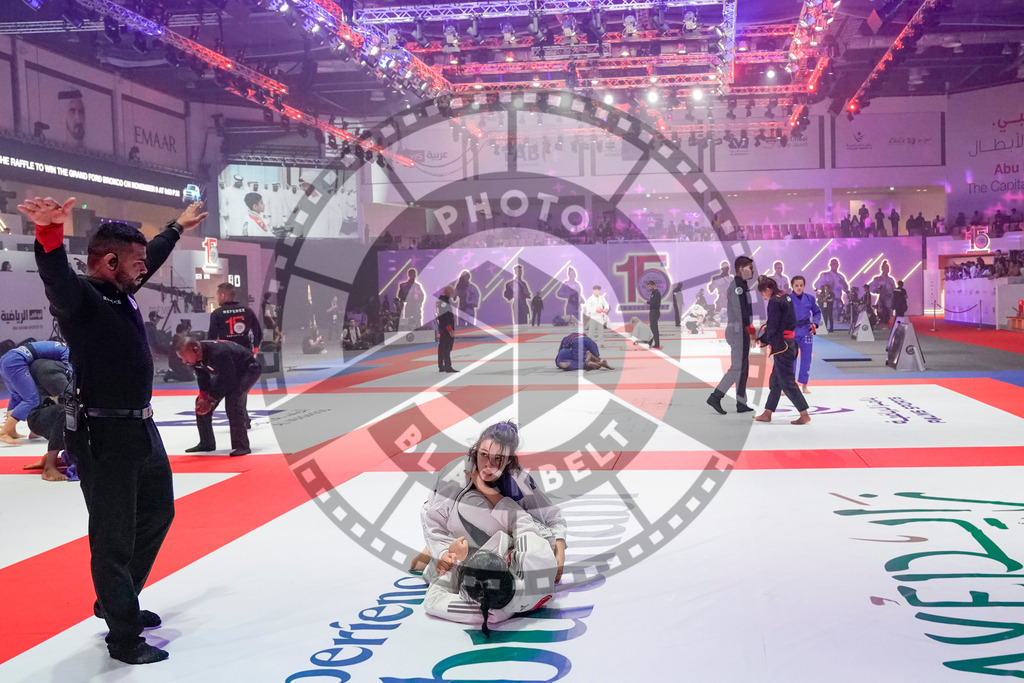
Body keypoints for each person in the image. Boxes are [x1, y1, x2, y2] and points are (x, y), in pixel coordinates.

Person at [20, 194, 208, 664]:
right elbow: (55, 277)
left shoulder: (120, 291)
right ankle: (123, 637)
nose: (146, 269)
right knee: (113, 536)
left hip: (141, 429)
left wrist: (177, 227)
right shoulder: (80, 300)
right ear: (108, 262)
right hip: (102, 436)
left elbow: (151, 255)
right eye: (137, 263)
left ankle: (116, 600)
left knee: (158, 514)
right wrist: (48, 233)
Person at [414, 421, 567, 583]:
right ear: (476, 450)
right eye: (484, 454)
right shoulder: (456, 475)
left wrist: (559, 550)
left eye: (499, 458)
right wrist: (443, 552)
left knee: (532, 557)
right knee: (469, 503)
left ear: (509, 460)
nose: (489, 464)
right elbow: (431, 518)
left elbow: (550, 515)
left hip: (499, 533)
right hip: (454, 525)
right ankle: (442, 547)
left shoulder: (517, 478)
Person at [423, 493, 558, 636]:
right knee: (467, 503)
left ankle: (443, 551)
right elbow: (521, 519)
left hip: (480, 554)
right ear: (505, 563)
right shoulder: (534, 558)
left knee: (429, 571)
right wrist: (487, 491)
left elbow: (433, 601)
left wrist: (454, 559)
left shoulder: (486, 608)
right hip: (522, 539)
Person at [176, 336, 261, 456]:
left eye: (184, 357)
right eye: (181, 358)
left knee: (233, 402)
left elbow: (229, 381)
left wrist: (211, 400)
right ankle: (207, 442)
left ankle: (241, 445)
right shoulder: (195, 358)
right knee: (200, 402)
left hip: (248, 369)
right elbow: (202, 377)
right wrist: (204, 397)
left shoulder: (219, 353)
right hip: (227, 372)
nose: (184, 361)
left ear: (196, 350)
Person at [753, 276, 810, 425]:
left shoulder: (774, 301)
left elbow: (773, 324)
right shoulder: (785, 296)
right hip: (788, 343)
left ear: (767, 290)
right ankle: (768, 412)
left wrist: (764, 340)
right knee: (776, 381)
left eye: (763, 295)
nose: (764, 298)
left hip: (783, 346)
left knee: (787, 382)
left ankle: (804, 413)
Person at [707, 255, 756, 415]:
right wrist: (751, 330)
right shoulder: (738, 287)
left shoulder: (741, 285)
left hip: (740, 330)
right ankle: (716, 396)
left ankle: (741, 403)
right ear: (742, 269)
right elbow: (741, 311)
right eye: (750, 267)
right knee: (737, 368)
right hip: (738, 331)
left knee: (743, 368)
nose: (753, 270)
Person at [1, 341, 70, 445]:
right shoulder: (67, 350)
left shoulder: (60, 345)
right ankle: (4, 433)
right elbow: (69, 368)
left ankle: (10, 430)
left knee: (16, 396)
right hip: (16, 360)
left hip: (8, 358)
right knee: (31, 400)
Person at [22, 357, 74, 481]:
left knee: (76, 412)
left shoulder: (62, 366)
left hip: (45, 412)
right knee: (68, 411)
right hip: (39, 416)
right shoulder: (49, 366)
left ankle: (50, 459)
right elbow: (69, 395)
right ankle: (49, 467)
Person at [790, 276, 821, 394]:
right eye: (796, 285)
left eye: (801, 285)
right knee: (790, 359)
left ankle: (804, 385)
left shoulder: (810, 299)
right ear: (792, 286)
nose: (799, 288)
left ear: (804, 286)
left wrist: (815, 324)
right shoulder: (787, 299)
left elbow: (817, 312)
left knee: (806, 359)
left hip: (806, 330)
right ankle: (789, 385)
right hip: (791, 331)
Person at [209, 282, 262, 352]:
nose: (217, 298)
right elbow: (258, 333)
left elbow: (212, 338)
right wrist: (255, 350)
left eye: (217, 295)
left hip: (226, 353)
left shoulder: (217, 314)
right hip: (245, 353)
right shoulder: (247, 311)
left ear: (222, 295)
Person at [436, 285, 458, 374]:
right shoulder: (443, 302)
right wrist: (450, 329)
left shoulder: (440, 301)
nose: (452, 295)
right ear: (447, 291)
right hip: (446, 327)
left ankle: (441, 365)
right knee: (446, 346)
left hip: (442, 327)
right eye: (451, 292)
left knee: (442, 346)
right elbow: (445, 317)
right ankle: (448, 366)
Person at [868, 260, 897, 326]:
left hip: (889, 298)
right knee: (881, 311)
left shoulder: (891, 279)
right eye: (885, 268)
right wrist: (877, 290)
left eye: (888, 268)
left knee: (888, 312)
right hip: (882, 297)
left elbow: (894, 288)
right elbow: (871, 287)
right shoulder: (878, 279)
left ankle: (886, 320)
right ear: (882, 268)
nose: (887, 269)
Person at [647, 280, 662, 348]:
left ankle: (656, 344)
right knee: (652, 328)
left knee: (654, 328)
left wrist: (649, 303)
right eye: (648, 287)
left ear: (653, 285)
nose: (649, 288)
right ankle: (650, 343)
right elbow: (653, 302)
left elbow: (656, 303)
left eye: (650, 286)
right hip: (653, 311)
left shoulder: (656, 293)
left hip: (655, 311)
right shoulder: (653, 293)